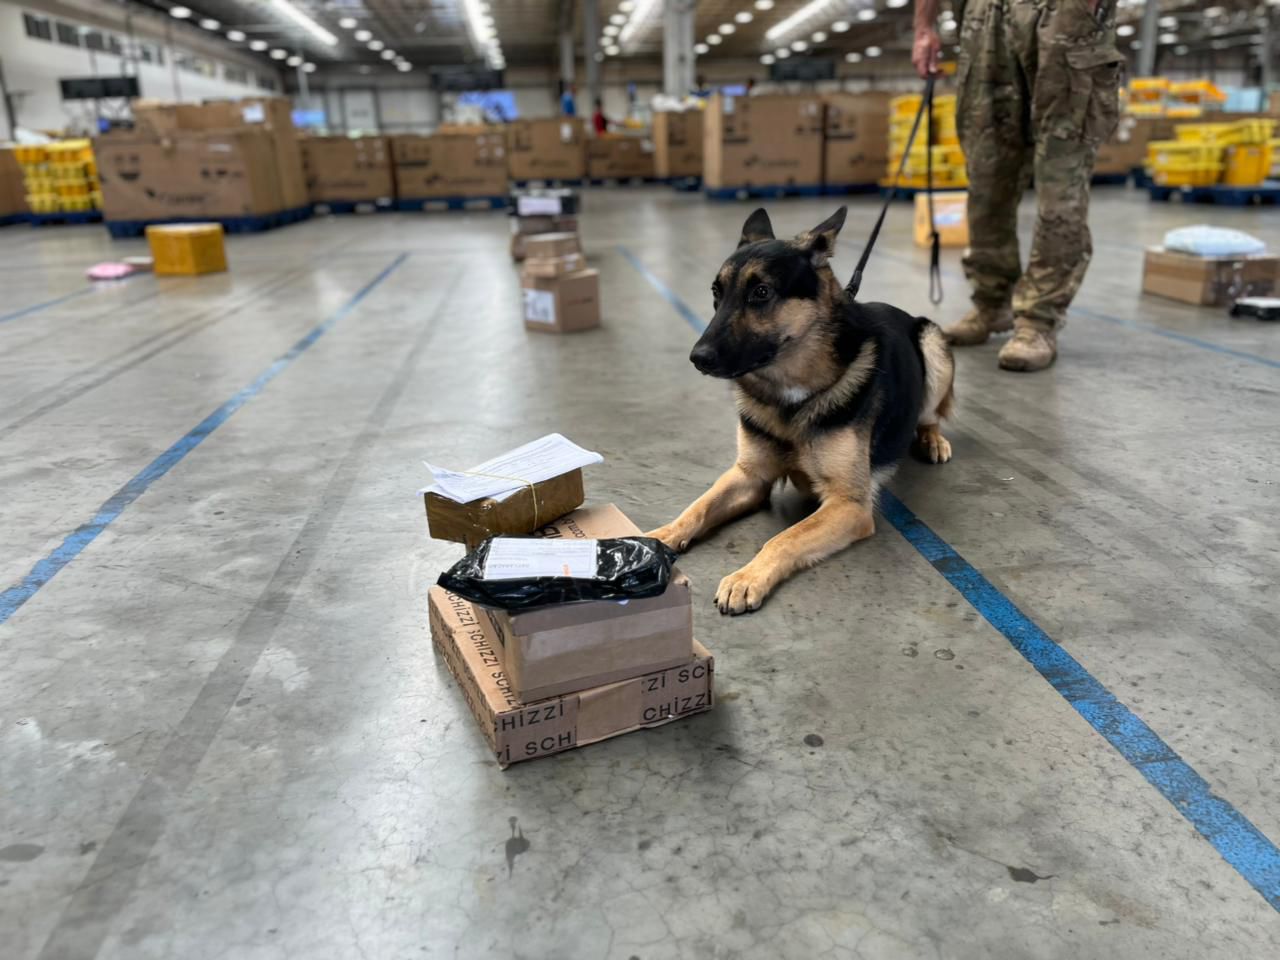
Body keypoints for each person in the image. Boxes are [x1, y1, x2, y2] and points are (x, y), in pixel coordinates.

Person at [913, 0, 1122, 372]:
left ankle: (1038, 320)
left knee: (1061, 185)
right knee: (986, 176)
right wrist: (924, 26)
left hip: (1066, 14)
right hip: (985, 15)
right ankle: (992, 304)